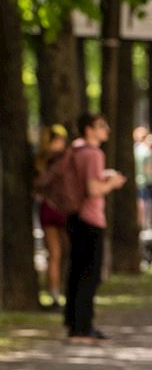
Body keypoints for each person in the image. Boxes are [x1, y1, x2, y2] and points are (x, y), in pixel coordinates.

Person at [60, 113, 127, 343]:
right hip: (90, 218)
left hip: (73, 216)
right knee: (90, 274)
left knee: (76, 272)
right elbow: (93, 189)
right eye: (101, 126)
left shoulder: (75, 151)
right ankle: (83, 328)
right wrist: (112, 183)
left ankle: (74, 323)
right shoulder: (94, 153)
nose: (106, 129)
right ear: (89, 130)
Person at [33, 124, 71, 309]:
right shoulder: (61, 160)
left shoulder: (41, 160)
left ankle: (56, 293)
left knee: (56, 255)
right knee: (58, 254)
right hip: (60, 209)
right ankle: (58, 294)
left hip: (48, 208)